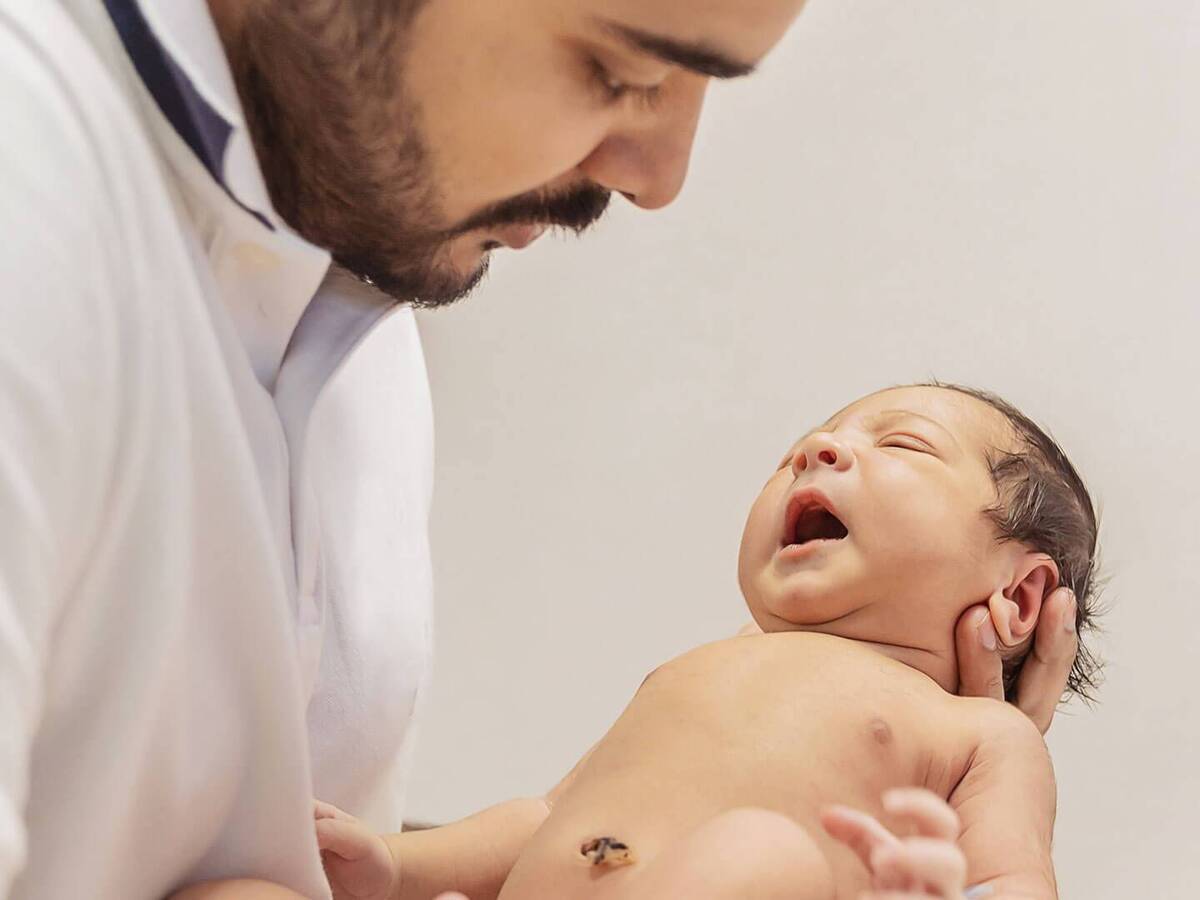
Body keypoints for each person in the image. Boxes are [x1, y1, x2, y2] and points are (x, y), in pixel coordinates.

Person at [0, 0, 1080, 896]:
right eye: (617, 66)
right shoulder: (40, 215)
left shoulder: (364, 340)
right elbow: (562, 817)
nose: (661, 178)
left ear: (1019, 595)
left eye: (898, 445)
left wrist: (970, 784)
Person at [313, 383, 1100, 899]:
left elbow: (1014, 881)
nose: (814, 452)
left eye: (902, 444)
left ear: (1021, 595)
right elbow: (545, 818)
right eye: (806, 442)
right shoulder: (698, 670)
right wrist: (392, 865)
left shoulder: (982, 731)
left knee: (762, 854)